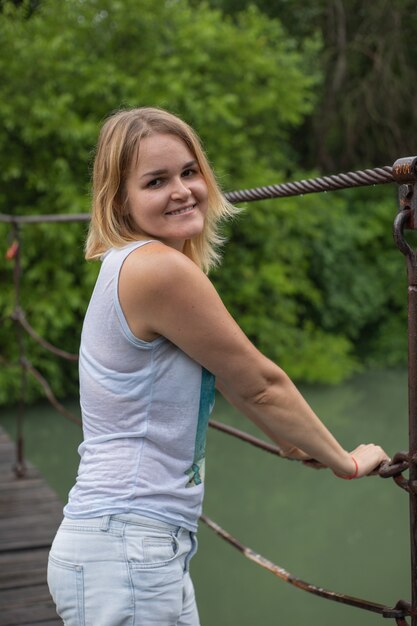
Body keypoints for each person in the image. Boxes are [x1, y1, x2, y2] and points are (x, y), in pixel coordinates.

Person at [47, 107, 390, 626]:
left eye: (189, 171)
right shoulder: (158, 270)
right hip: (127, 548)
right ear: (120, 201)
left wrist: (293, 443)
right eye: (156, 181)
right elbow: (260, 384)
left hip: (136, 544)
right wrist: (344, 461)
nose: (182, 190)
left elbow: (229, 378)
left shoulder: (142, 264)